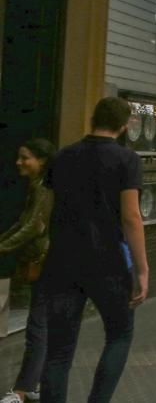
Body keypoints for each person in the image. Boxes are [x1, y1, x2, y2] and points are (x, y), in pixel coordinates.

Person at [40, 97, 149, 403]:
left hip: (62, 262)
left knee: (59, 350)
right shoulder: (127, 160)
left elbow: (48, 210)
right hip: (108, 263)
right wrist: (142, 269)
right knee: (119, 334)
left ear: (93, 120)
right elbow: (131, 217)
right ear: (124, 125)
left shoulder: (62, 157)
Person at [0, 140, 56, 403]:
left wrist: (3, 247)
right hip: (45, 262)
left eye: (25, 158)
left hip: (47, 264)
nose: (19, 162)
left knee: (37, 327)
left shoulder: (45, 188)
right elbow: (25, 223)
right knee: (41, 326)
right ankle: (34, 384)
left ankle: (23, 390)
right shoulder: (38, 186)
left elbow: (33, 227)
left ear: (41, 160)